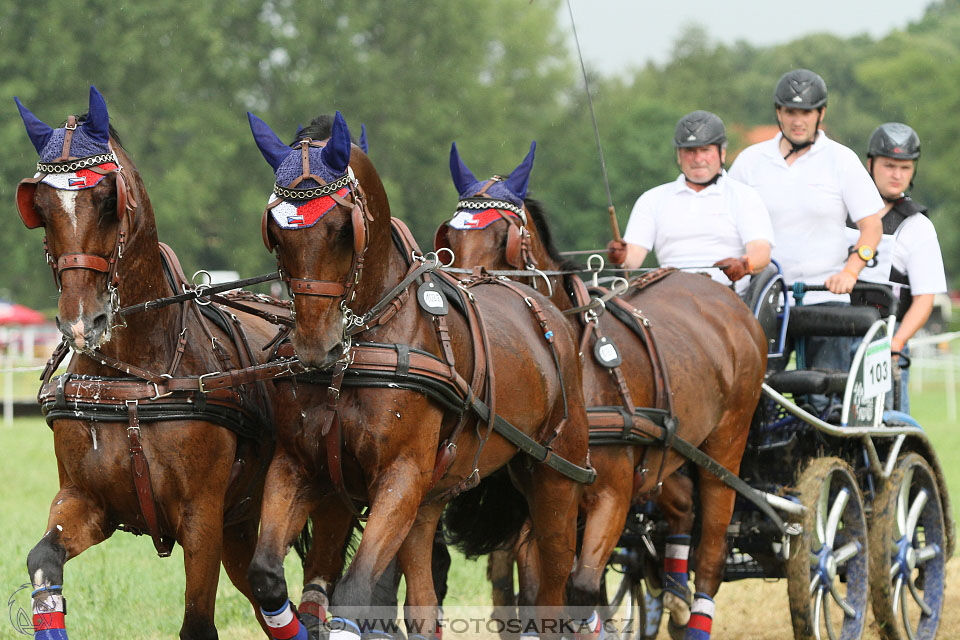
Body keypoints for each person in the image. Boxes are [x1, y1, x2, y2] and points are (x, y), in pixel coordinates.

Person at [729, 69, 884, 407]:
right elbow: (729, 225)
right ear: (778, 113)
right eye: (790, 112)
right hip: (765, 297)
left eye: (806, 113)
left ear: (820, 114)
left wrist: (850, 272)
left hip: (825, 296)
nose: (798, 121)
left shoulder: (841, 160)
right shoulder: (750, 162)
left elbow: (872, 228)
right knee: (753, 398)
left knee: (822, 402)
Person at [607, 110, 774, 294]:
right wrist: (621, 256)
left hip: (726, 297)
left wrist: (744, 264)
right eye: (690, 151)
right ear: (679, 155)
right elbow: (633, 260)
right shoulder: (652, 199)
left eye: (705, 150)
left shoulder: (744, 196)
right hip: (668, 296)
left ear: (722, 153)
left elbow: (761, 251)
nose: (698, 159)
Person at [846, 123, 947, 412]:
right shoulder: (843, 212)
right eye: (889, 165)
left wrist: (896, 342)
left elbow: (924, 299)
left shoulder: (918, 227)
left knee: (889, 425)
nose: (896, 175)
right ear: (871, 163)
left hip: (884, 339)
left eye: (905, 167)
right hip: (835, 333)